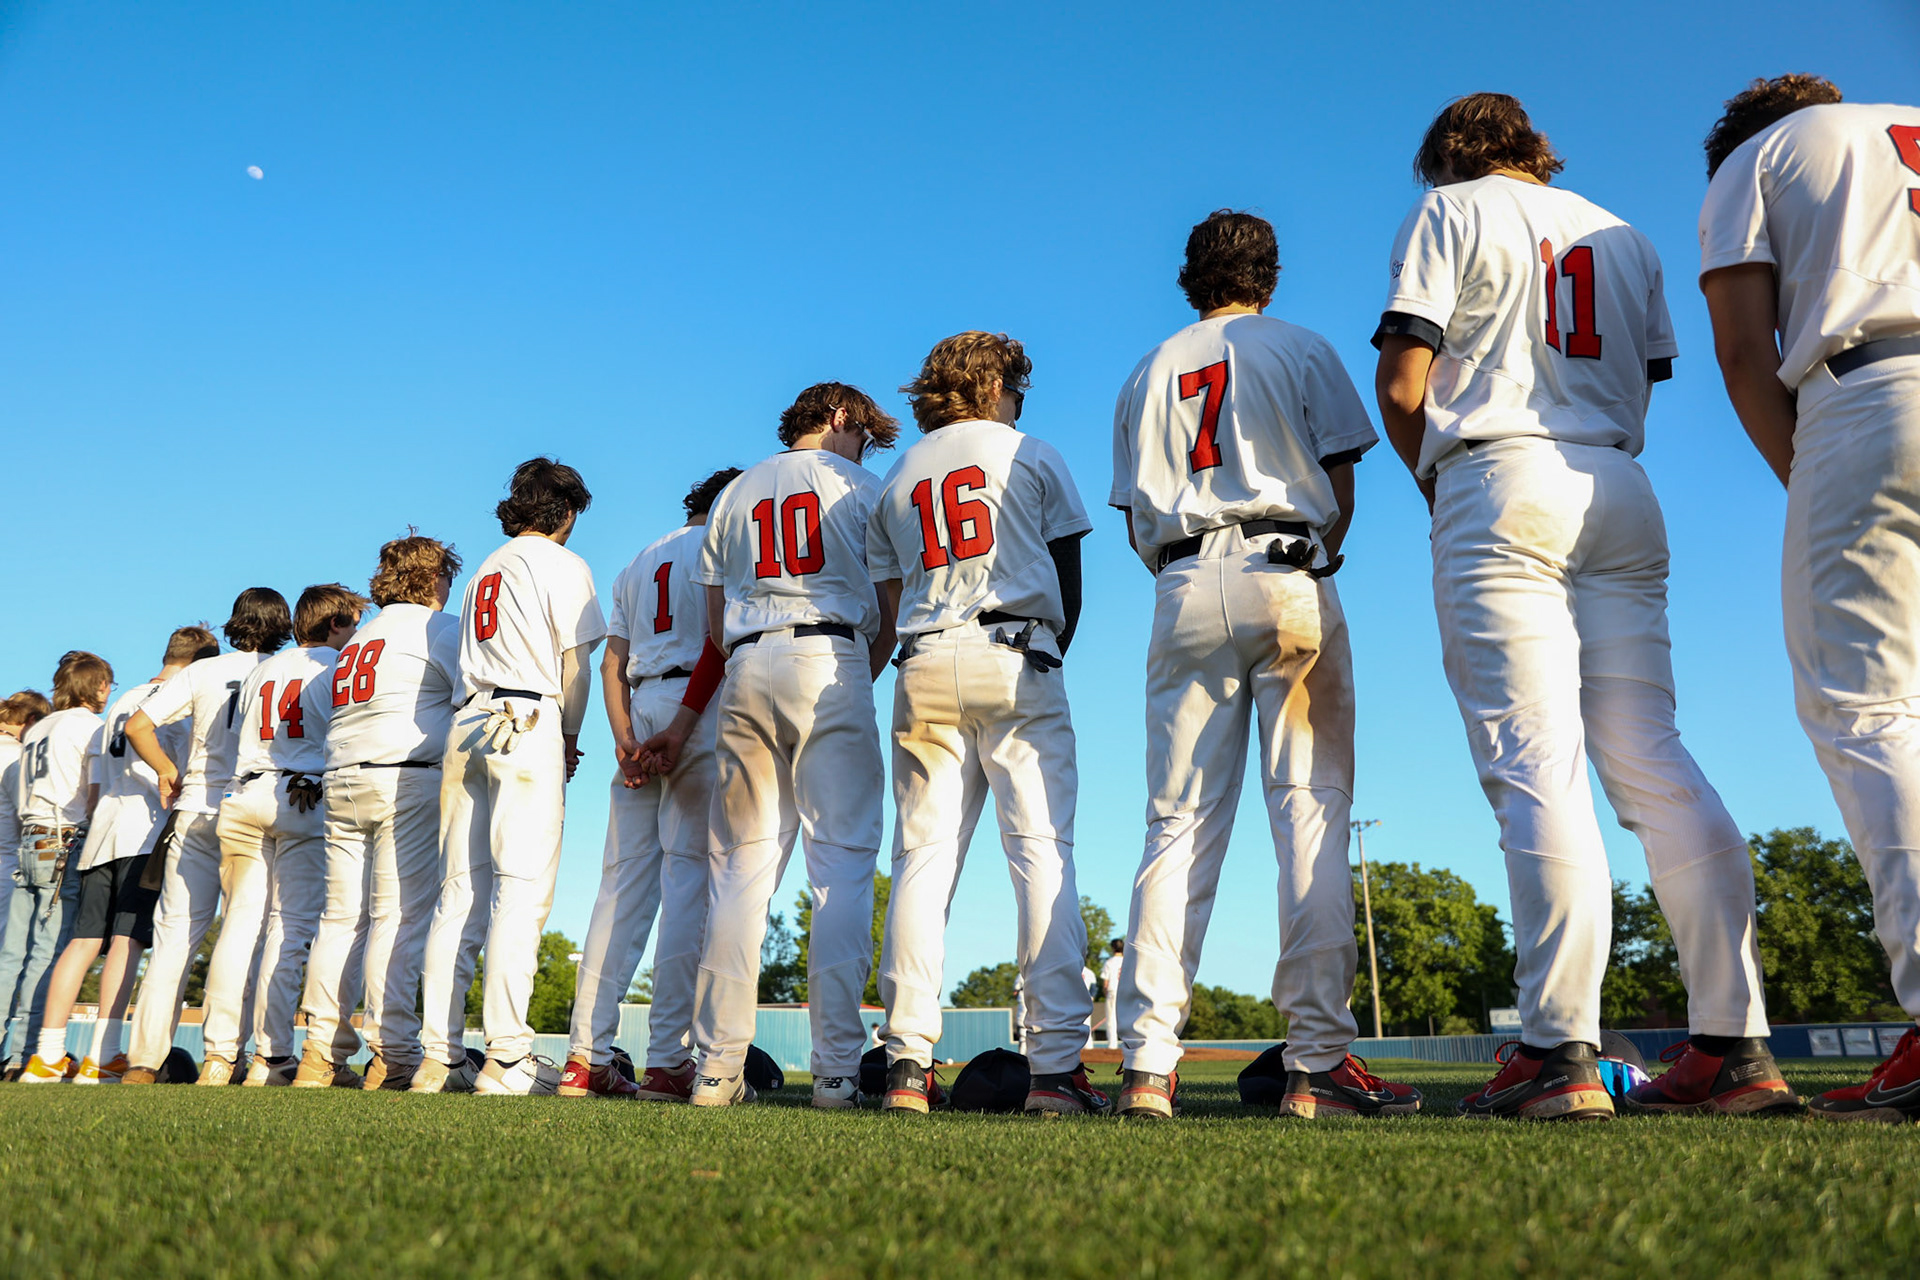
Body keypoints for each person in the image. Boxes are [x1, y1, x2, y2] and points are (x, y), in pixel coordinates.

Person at [1373, 92, 1791, 1121]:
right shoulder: (1622, 230)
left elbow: (1400, 380)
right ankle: (1736, 1044)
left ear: (1448, 155)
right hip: (1617, 480)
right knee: (1654, 753)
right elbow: (1648, 377)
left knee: (1534, 761)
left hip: (1499, 471)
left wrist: (1444, 480)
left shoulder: (1452, 210)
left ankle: (1557, 1049)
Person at [1110, 208, 1419, 1121]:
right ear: (1269, 276)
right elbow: (1343, 490)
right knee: (1310, 815)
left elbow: (1135, 519)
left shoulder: (1147, 368)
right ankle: (1317, 1063)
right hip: (1286, 569)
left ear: (1188, 278)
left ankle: (1146, 1067)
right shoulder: (1301, 344)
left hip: (1180, 578)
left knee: (1176, 825)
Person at [1697, 74, 1920, 1121]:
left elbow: (1745, 351)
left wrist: (1812, 476)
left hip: (1870, 390)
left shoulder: (1759, 156)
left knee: (1867, 705)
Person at [867, 332, 1099, 1115]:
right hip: (1014, 647)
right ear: (995, 383)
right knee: (1040, 852)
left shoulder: (900, 470)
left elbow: (889, 593)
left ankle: (905, 1062)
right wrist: (1044, 647)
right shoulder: (1028, 450)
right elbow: (1069, 583)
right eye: (1017, 384)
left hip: (923, 656)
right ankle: (1058, 1065)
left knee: (922, 862)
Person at [676, 382, 898, 1109]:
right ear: (841, 419)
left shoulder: (736, 491)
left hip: (746, 663)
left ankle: (716, 1068)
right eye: (862, 432)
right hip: (831, 657)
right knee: (840, 862)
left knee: (739, 872)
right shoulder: (862, 485)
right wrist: (852, 676)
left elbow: (714, 623)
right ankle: (835, 1069)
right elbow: (888, 610)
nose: (863, 446)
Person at [413, 458, 605, 1096]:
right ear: (566, 510)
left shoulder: (486, 568)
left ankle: (437, 1056)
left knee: (459, 896)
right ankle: (506, 1056)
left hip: (467, 720)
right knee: (520, 894)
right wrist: (571, 737)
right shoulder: (562, 563)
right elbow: (575, 667)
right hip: (525, 717)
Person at [562, 468, 740, 1101]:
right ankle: (668, 1056)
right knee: (690, 880)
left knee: (620, 887)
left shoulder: (640, 559)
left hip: (640, 704)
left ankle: (584, 1054)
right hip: (702, 700)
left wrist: (624, 736)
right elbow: (722, 639)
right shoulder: (726, 543)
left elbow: (612, 661)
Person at [294, 535, 463, 1091]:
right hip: (402, 775)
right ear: (432, 576)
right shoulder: (439, 627)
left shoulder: (359, 636)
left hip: (343, 776)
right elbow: (471, 697)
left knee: (341, 918)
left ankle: (321, 1051)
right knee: (398, 916)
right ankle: (392, 1051)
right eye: (444, 575)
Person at [25, 627, 215, 1084]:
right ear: (201, 662)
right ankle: (106, 1052)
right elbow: (187, 770)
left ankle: (47, 1054)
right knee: (128, 941)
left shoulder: (118, 703)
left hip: (100, 832)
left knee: (83, 940)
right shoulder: (176, 701)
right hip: (144, 833)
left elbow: (92, 788)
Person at [121, 588, 294, 1084]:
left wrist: (166, 771)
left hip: (195, 804)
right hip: (248, 810)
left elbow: (138, 726)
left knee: (175, 940)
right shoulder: (284, 672)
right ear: (282, 623)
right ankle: (226, 1055)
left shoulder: (203, 671)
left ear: (236, 621)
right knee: (244, 936)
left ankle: (143, 1061)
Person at [198, 584, 367, 1086]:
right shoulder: (334, 667)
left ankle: (218, 1055)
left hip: (245, 792)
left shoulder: (263, 669)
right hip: (301, 795)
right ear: (335, 623)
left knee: (239, 929)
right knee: (290, 931)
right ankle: (271, 1057)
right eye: (352, 622)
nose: (356, 631)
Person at [8, 655, 110, 1079]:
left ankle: (6, 1047)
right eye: (107, 685)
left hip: (29, 835)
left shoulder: (40, 727)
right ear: (95, 686)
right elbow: (93, 793)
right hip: (64, 837)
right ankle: (28, 1053)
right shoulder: (89, 726)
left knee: (12, 952)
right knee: (51, 951)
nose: (108, 693)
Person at [0, 689, 52, 1070]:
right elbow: (27, 813)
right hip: (7, 862)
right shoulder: (17, 758)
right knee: (15, 956)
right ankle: (20, 1054)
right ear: (31, 722)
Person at [1101, 939, 1123, 1050]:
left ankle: (1112, 1045)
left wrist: (1105, 993)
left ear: (1113, 948)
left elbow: (1105, 982)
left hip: (1113, 991)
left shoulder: (1109, 962)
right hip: (1125, 992)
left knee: (1111, 1019)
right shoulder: (1127, 961)